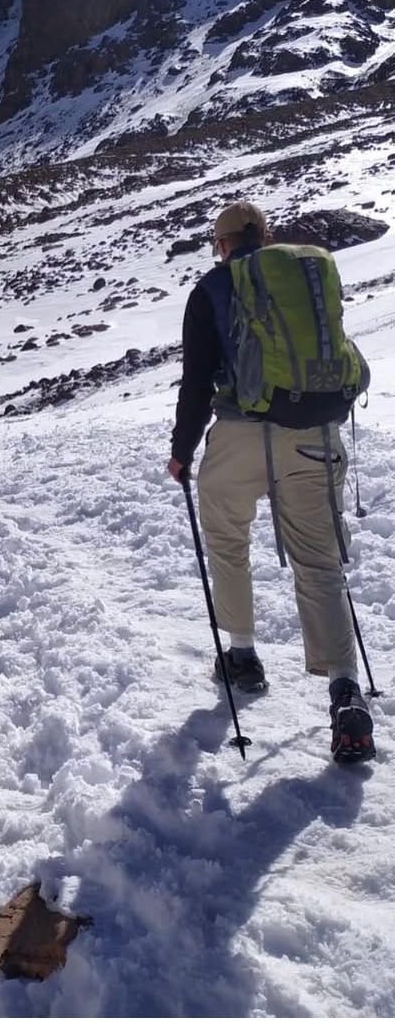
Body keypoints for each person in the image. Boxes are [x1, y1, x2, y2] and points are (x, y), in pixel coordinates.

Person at [168, 200, 374, 763]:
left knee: (228, 539)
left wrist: (182, 452)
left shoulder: (212, 289)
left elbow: (195, 386)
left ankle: (242, 656)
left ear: (224, 244)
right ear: (267, 234)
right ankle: (345, 694)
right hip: (314, 431)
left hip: (241, 435)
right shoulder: (304, 275)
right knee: (319, 558)